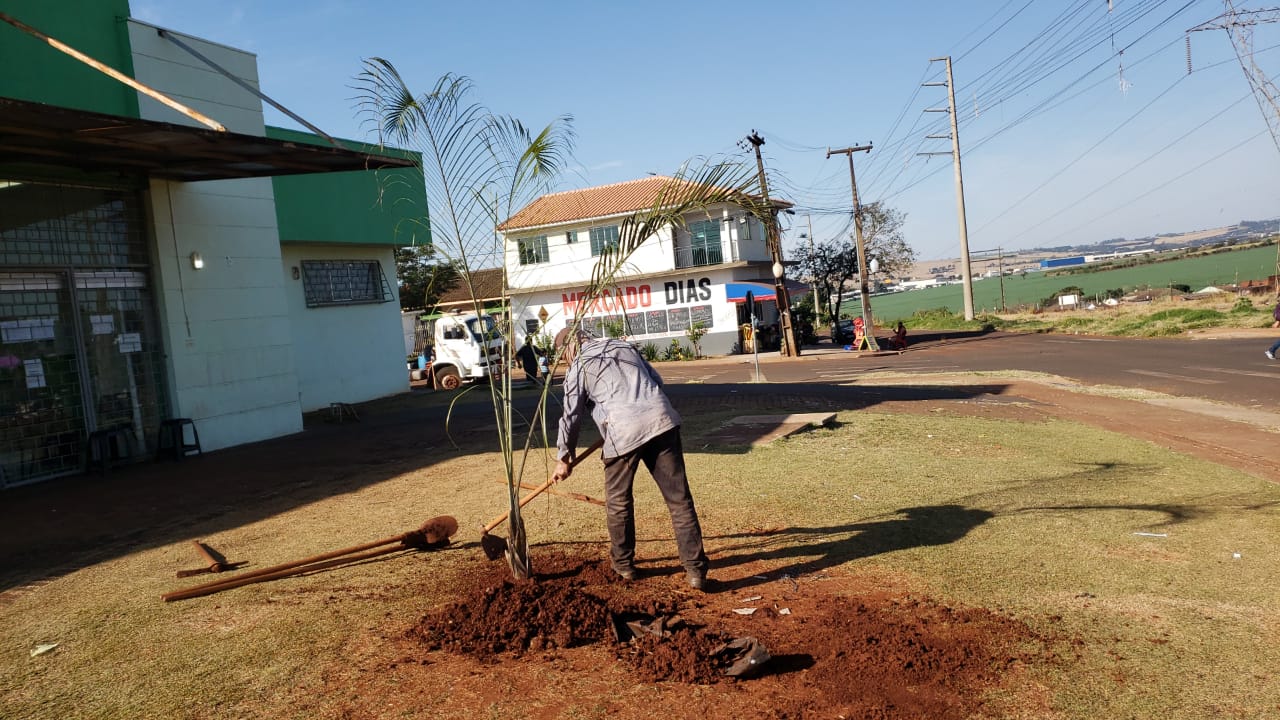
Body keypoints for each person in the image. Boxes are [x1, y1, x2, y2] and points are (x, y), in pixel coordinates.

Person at [550, 327, 710, 590]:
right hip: (661, 420)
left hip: (623, 432)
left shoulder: (579, 365)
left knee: (618, 502)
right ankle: (696, 571)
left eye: (562, 355)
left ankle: (623, 566)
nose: (565, 360)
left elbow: (571, 416)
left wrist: (564, 457)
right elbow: (656, 381)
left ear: (567, 348)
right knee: (680, 501)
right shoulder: (623, 347)